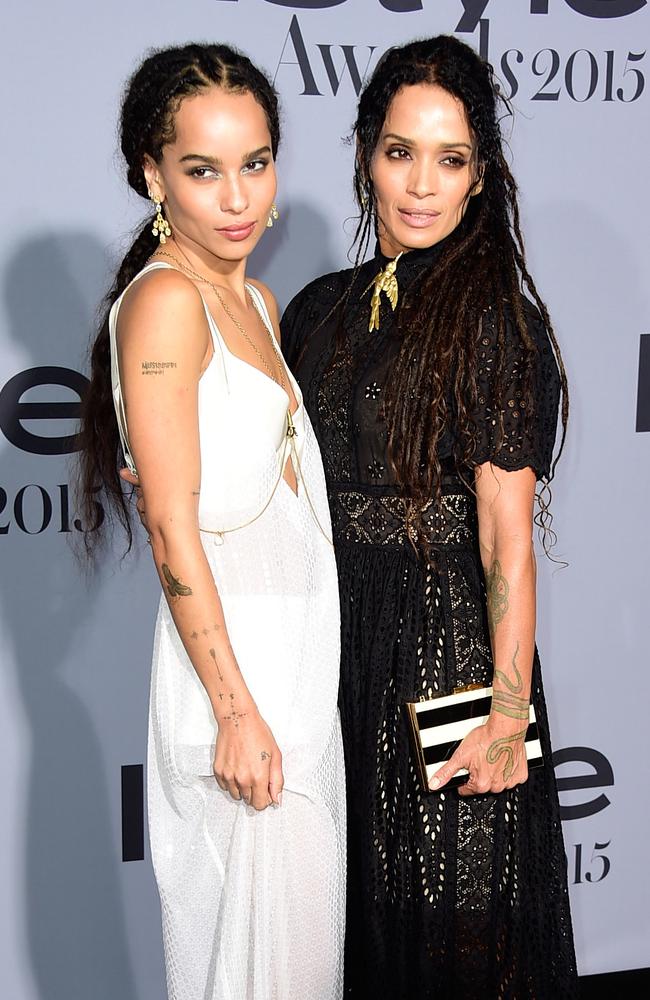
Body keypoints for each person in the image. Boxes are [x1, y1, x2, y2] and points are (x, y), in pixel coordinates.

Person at [280, 35, 578, 999]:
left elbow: (504, 531)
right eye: (400, 151)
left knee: (453, 931)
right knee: (356, 930)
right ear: (366, 153)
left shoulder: (496, 318)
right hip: (336, 650)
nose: (420, 185)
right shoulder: (320, 309)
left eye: (449, 160)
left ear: (480, 177)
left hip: (447, 655)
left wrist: (505, 707)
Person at [78, 43, 345, 1000]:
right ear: (152, 176)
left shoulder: (255, 298)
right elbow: (171, 530)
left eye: (256, 162)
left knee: (300, 968)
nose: (237, 198)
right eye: (202, 170)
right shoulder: (165, 303)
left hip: (299, 676)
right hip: (238, 686)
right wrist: (236, 711)